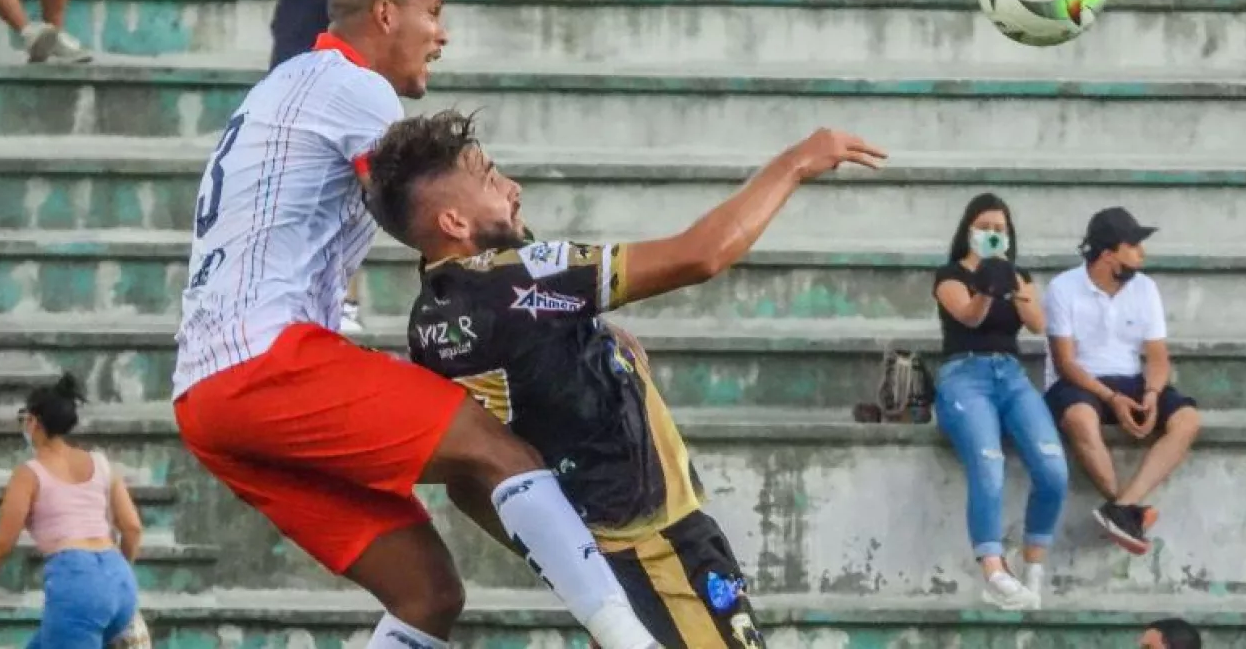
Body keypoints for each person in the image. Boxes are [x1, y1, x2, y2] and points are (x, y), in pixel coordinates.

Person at [170, 0, 661, 649]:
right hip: (264, 363)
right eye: (434, 11)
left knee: (425, 593)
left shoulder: (287, 89)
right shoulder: (353, 84)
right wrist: (564, 299)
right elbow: (441, 214)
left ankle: (612, 611)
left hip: (207, 395)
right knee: (498, 451)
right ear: (384, 14)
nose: (444, 33)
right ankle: (635, 636)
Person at [360, 109, 886, 647]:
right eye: (492, 179)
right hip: (658, 546)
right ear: (453, 223)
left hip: (613, 555)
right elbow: (700, 255)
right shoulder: (524, 274)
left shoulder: (431, 321)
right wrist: (797, 162)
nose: (513, 189)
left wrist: (571, 555)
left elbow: (467, 482)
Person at [932, 193, 1067, 611]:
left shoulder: (1017, 273)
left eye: (999, 228)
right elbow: (968, 316)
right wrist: (987, 286)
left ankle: (1034, 567)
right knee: (988, 462)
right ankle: (993, 569)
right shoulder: (950, 274)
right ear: (969, 229)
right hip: (964, 374)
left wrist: (1010, 280)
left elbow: (1039, 324)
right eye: (985, 226)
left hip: (1009, 375)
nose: (992, 234)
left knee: (1052, 468)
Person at [0, 373, 143, 648]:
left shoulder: (29, 475)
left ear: (33, 422)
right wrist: (115, 575)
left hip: (77, 583)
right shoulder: (101, 463)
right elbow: (132, 528)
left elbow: (2, 544)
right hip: (119, 579)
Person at [1043, 207, 1200, 556]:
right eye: (1133, 245)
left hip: (1130, 379)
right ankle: (1125, 512)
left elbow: (1157, 357)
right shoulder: (1063, 288)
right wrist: (1111, 398)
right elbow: (1065, 362)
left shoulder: (1145, 288)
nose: (1142, 252)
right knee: (1080, 418)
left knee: (1187, 419)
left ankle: (1123, 507)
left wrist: (1153, 393)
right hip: (1081, 381)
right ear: (1107, 254)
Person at [265, 0, 365, 334]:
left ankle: (348, 305)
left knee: (338, 209)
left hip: (320, 118)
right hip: (283, 114)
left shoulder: (326, 1)